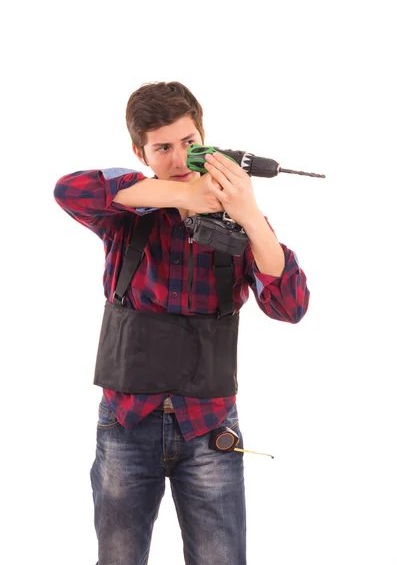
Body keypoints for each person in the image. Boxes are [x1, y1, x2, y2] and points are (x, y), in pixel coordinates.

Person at [53, 81, 310, 565]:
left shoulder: (236, 221)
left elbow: (290, 305)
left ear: (205, 139)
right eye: (162, 148)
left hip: (209, 429)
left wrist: (249, 214)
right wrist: (180, 196)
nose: (178, 157)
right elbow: (69, 190)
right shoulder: (127, 213)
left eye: (189, 143)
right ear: (140, 152)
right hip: (126, 423)